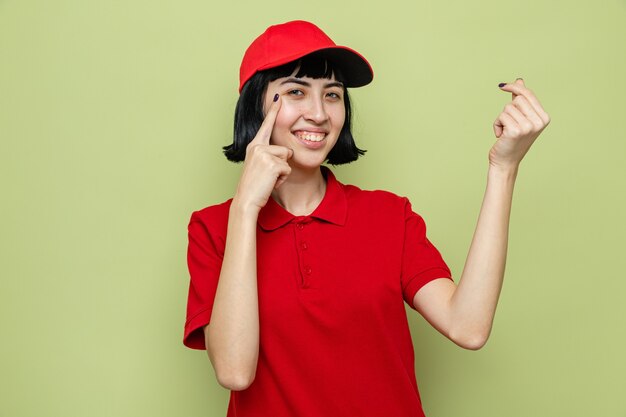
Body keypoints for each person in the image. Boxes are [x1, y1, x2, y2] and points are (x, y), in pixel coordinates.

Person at [182, 20, 550, 417]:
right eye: (295, 92)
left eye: (333, 95)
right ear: (256, 105)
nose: (320, 113)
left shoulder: (390, 216)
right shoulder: (214, 227)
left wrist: (503, 168)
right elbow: (235, 372)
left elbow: (469, 326)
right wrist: (245, 209)